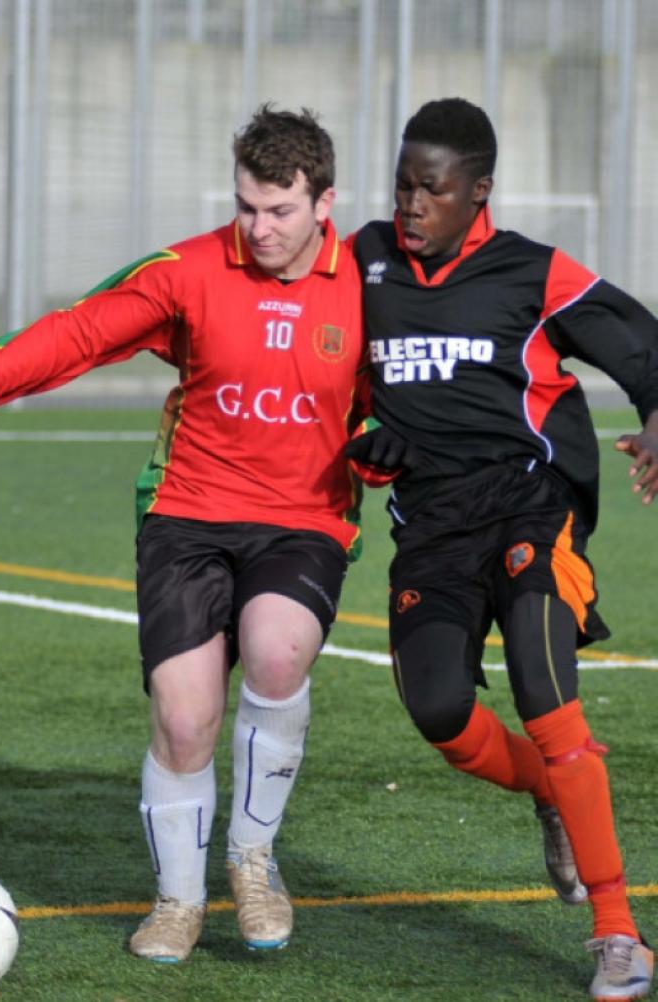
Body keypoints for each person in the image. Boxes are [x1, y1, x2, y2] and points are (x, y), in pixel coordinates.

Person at [0, 105, 368, 963]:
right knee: (184, 717)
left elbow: (410, 394)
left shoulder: (372, 283)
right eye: (245, 207)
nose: (259, 228)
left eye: (280, 211)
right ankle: (178, 901)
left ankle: (253, 859)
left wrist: (392, 456)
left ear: (325, 203)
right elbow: (79, 332)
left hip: (304, 517)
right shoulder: (188, 269)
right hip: (188, 511)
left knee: (275, 651)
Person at [347, 97, 657, 1001]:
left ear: (477, 192)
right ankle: (554, 794)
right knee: (442, 714)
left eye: (431, 190)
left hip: (532, 506)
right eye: (402, 184)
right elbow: (333, 372)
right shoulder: (362, 262)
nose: (410, 204)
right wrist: (367, 436)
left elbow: (640, 345)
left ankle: (620, 934)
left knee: (545, 691)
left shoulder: (534, 272)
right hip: (432, 529)